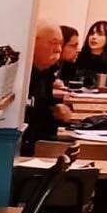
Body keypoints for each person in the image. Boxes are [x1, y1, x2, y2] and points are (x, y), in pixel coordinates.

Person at [22, 21, 76, 151]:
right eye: (53, 43)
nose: (58, 49)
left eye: (61, 44)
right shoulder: (22, 75)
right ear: (33, 42)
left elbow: (44, 112)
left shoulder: (46, 73)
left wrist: (55, 111)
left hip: (41, 143)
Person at [76, 19, 107, 89]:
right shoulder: (78, 55)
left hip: (102, 96)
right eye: (91, 34)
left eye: (100, 34)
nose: (94, 37)